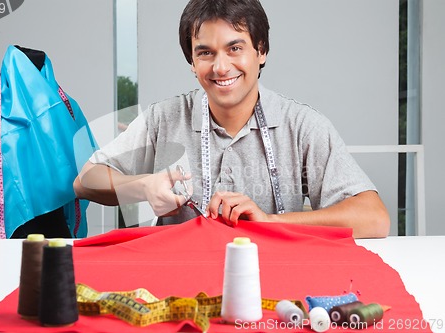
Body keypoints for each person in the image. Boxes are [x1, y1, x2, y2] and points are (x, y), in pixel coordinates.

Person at [74, 0, 390, 238]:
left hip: (274, 278)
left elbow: (374, 218)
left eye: (234, 48)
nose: (221, 67)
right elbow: (86, 181)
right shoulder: (162, 118)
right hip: (180, 280)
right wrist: (141, 187)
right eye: (205, 53)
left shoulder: (303, 126)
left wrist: (270, 221)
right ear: (192, 62)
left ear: (261, 50)